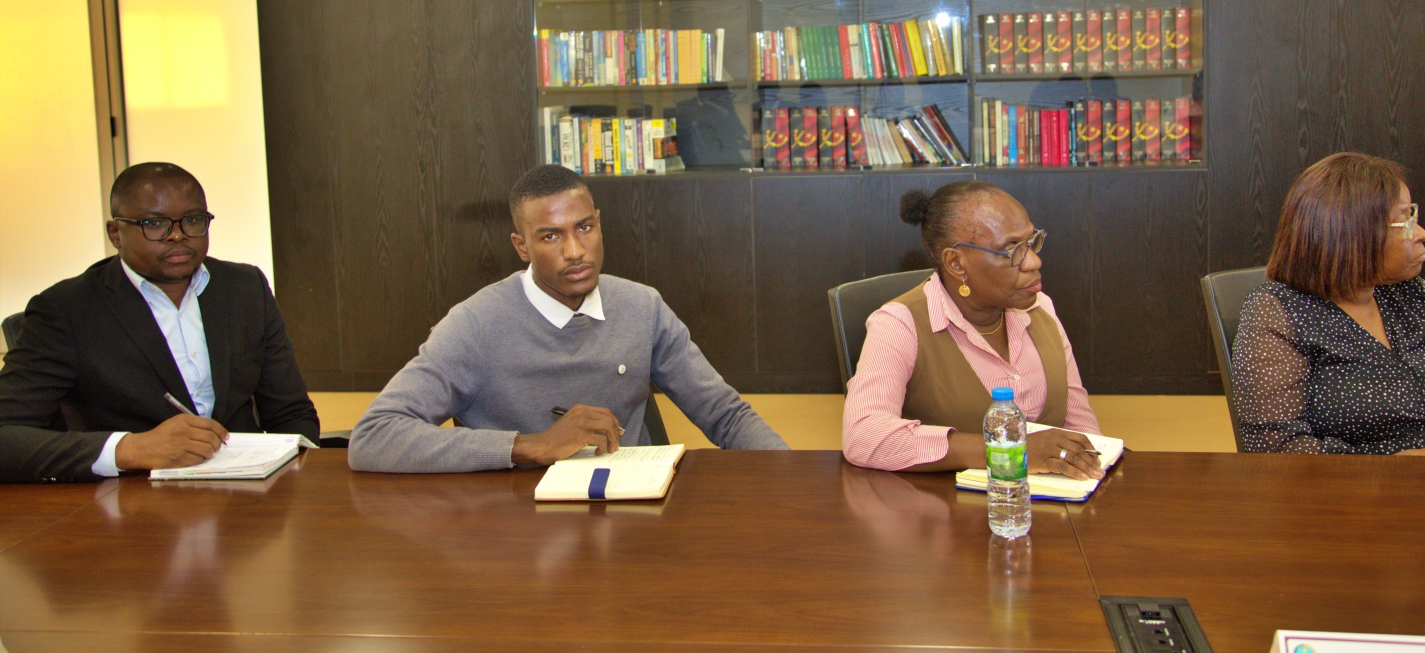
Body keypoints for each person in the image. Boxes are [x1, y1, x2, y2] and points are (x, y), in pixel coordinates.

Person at [348, 164, 786, 471]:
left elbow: (726, 416)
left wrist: (798, 481)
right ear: (521, 247)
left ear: (599, 223)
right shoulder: (475, 326)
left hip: (630, 517)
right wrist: (529, 446)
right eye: (550, 237)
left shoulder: (642, 307)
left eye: (584, 228)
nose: (575, 251)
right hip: (519, 531)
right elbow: (374, 436)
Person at [0, 162, 320, 483]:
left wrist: (294, 485)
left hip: (247, 493)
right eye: (154, 224)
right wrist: (128, 449)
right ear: (115, 233)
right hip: (129, 497)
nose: (177, 235)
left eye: (192, 220)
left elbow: (291, 414)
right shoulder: (67, 309)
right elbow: (6, 435)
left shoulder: (245, 287)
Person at [1232, 152, 1425, 455]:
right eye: (1405, 219)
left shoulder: (1414, 292)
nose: (1422, 233)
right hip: (1363, 484)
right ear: (1353, 234)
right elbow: (1275, 447)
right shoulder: (1277, 311)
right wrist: (1404, 471)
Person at [842, 180, 1103, 479]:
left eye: (1031, 242)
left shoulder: (1041, 308)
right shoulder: (899, 324)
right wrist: (1009, 451)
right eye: (1012, 249)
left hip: (1049, 501)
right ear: (956, 263)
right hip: (943, 504)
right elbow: (864, 436)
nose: (1033, 261)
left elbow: (1081, 427)